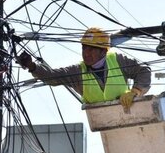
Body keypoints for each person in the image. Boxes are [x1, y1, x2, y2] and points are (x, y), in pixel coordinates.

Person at [16, 27, 151, 109]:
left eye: (91, 49)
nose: (86, 53)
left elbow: (144, 70)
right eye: (84, 48)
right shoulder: (78, 72)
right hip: (104, 123)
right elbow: (53, 77)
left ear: (103, 51)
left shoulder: (117, 60)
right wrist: (32, 66)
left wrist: (135, 91)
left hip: (129, 116)